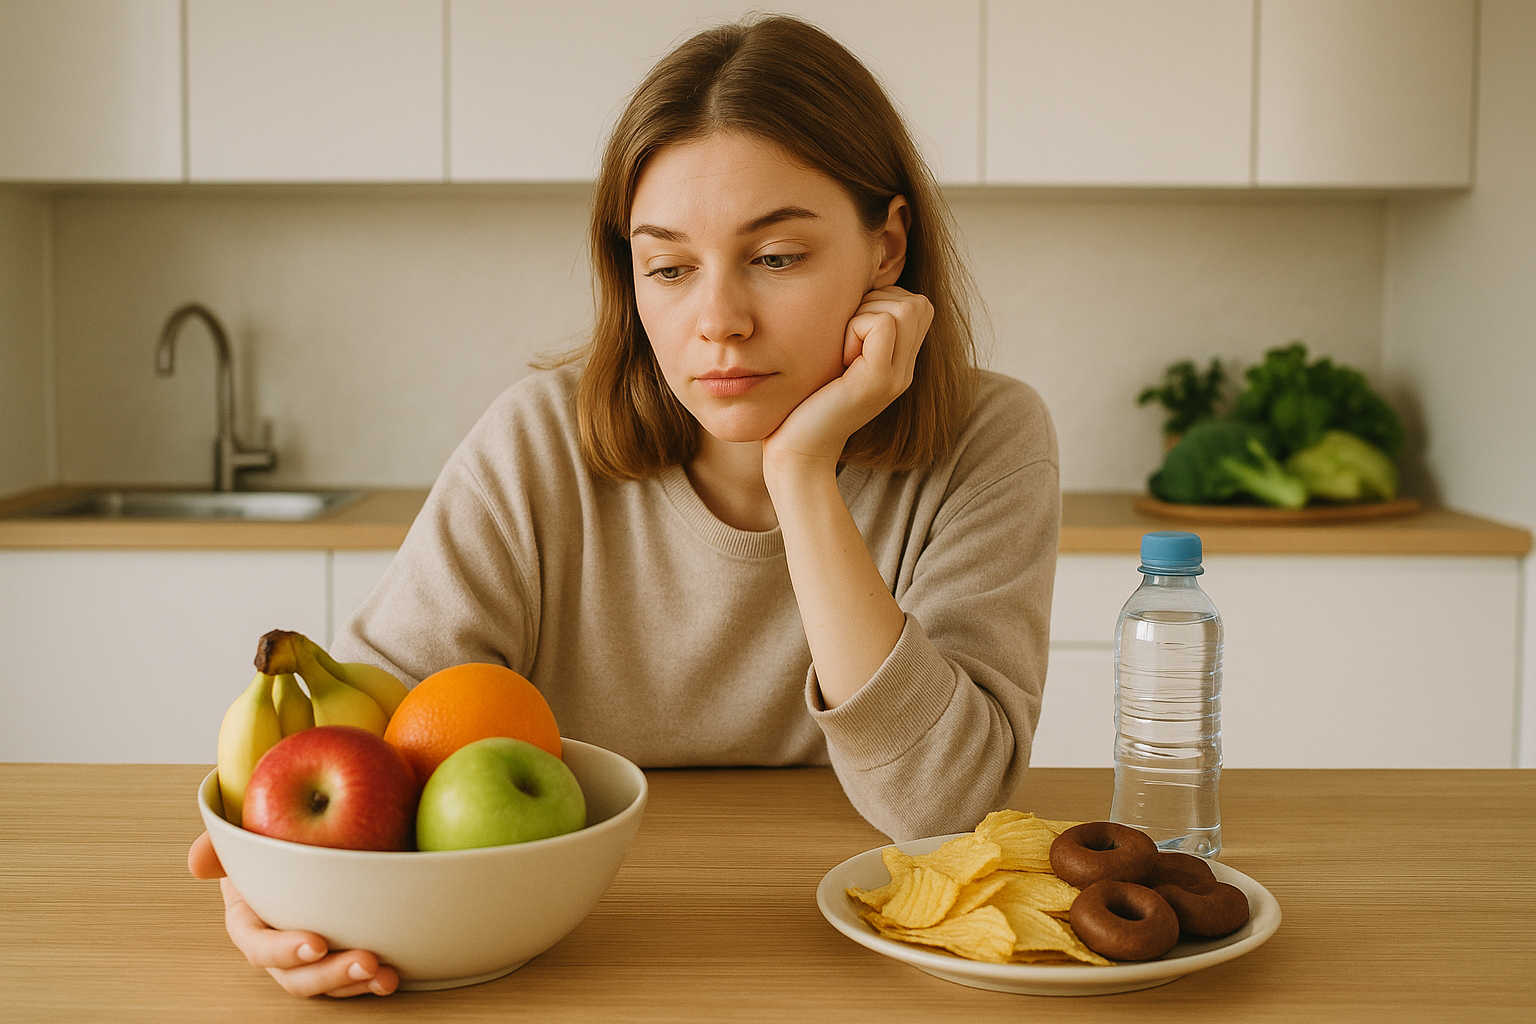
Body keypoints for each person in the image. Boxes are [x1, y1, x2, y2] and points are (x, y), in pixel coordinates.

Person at [187, 14, 1059, 998]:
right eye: (671, 266)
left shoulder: (991, 438)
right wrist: (272, 885)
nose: (718, 321)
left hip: (854, 966)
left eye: (777, 257)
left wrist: (802, 474)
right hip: (569, 956)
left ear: (885, 246)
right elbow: (361, 753)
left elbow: (940, 804)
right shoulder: (536, 445)